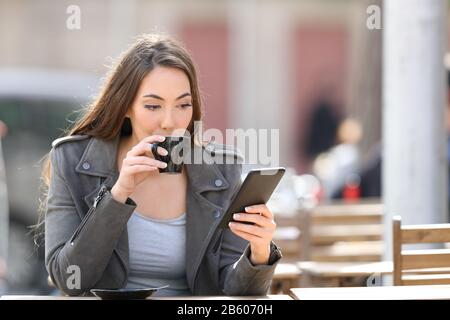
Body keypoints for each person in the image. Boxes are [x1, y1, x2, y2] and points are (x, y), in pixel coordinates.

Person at [39, 34, 281, 297]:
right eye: (153, 106)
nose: (170, 121)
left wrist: (259, 254)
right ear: (125, 106)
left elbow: (232, 294)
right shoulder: (72, 159)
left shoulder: (221, 170)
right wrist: (117, 195)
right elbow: (69, 279)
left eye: (183, 105)